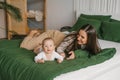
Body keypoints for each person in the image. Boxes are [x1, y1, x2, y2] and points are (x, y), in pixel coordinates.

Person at [20, 24, 101, 60]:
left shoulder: (93, 43)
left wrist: (76, 54)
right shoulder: (72, 38)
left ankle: (37, 36)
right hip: (52, 36)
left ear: (90, 39)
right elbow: (59, 49)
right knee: (25, 46)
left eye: (82, 37)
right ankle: (32, 33)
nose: (78, 38)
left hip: (53, 43)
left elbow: (91, 52)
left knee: (40, 47)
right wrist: (64, 55)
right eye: (78, 34)